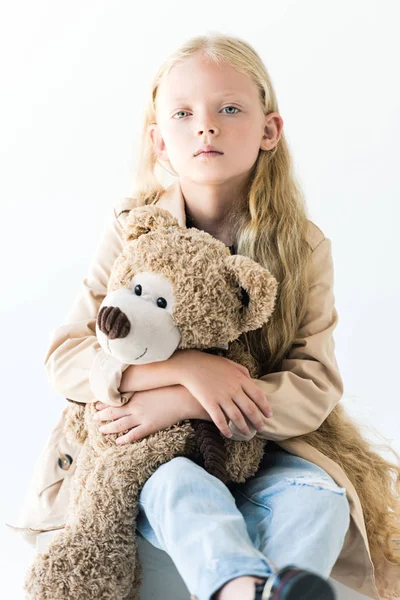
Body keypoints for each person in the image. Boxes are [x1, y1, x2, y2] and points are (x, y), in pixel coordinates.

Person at [33, 33, 392, 600]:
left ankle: (276, 590)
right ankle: (239, 586)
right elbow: (68, 356)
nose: (207, 127)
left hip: (260, 449)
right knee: (178, 487)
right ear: (159, 141)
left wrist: (192, 401)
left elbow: (315, 381)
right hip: (153, 453)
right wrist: (189, 371)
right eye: (183, 113)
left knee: (317, 496)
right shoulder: (132, 228)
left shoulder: (303, 247)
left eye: (229, 109)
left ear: (269, 130)